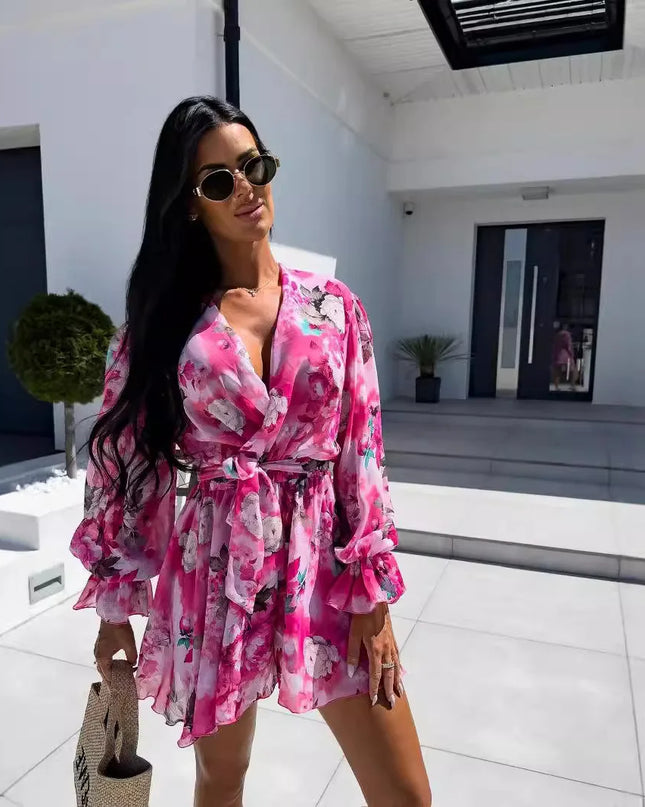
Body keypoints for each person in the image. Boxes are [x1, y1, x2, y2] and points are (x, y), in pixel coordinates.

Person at [70, 96, 432, 807]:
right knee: (222, 778)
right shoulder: (163, 327)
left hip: (324, 566)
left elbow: (361, 452)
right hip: (216, 570)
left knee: (405, 794)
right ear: (188, 204)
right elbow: (125, 467)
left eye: (254, 166)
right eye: (218, 180)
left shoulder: (334, 308)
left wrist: (373, 592)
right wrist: (115, 608)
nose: (245, 188)